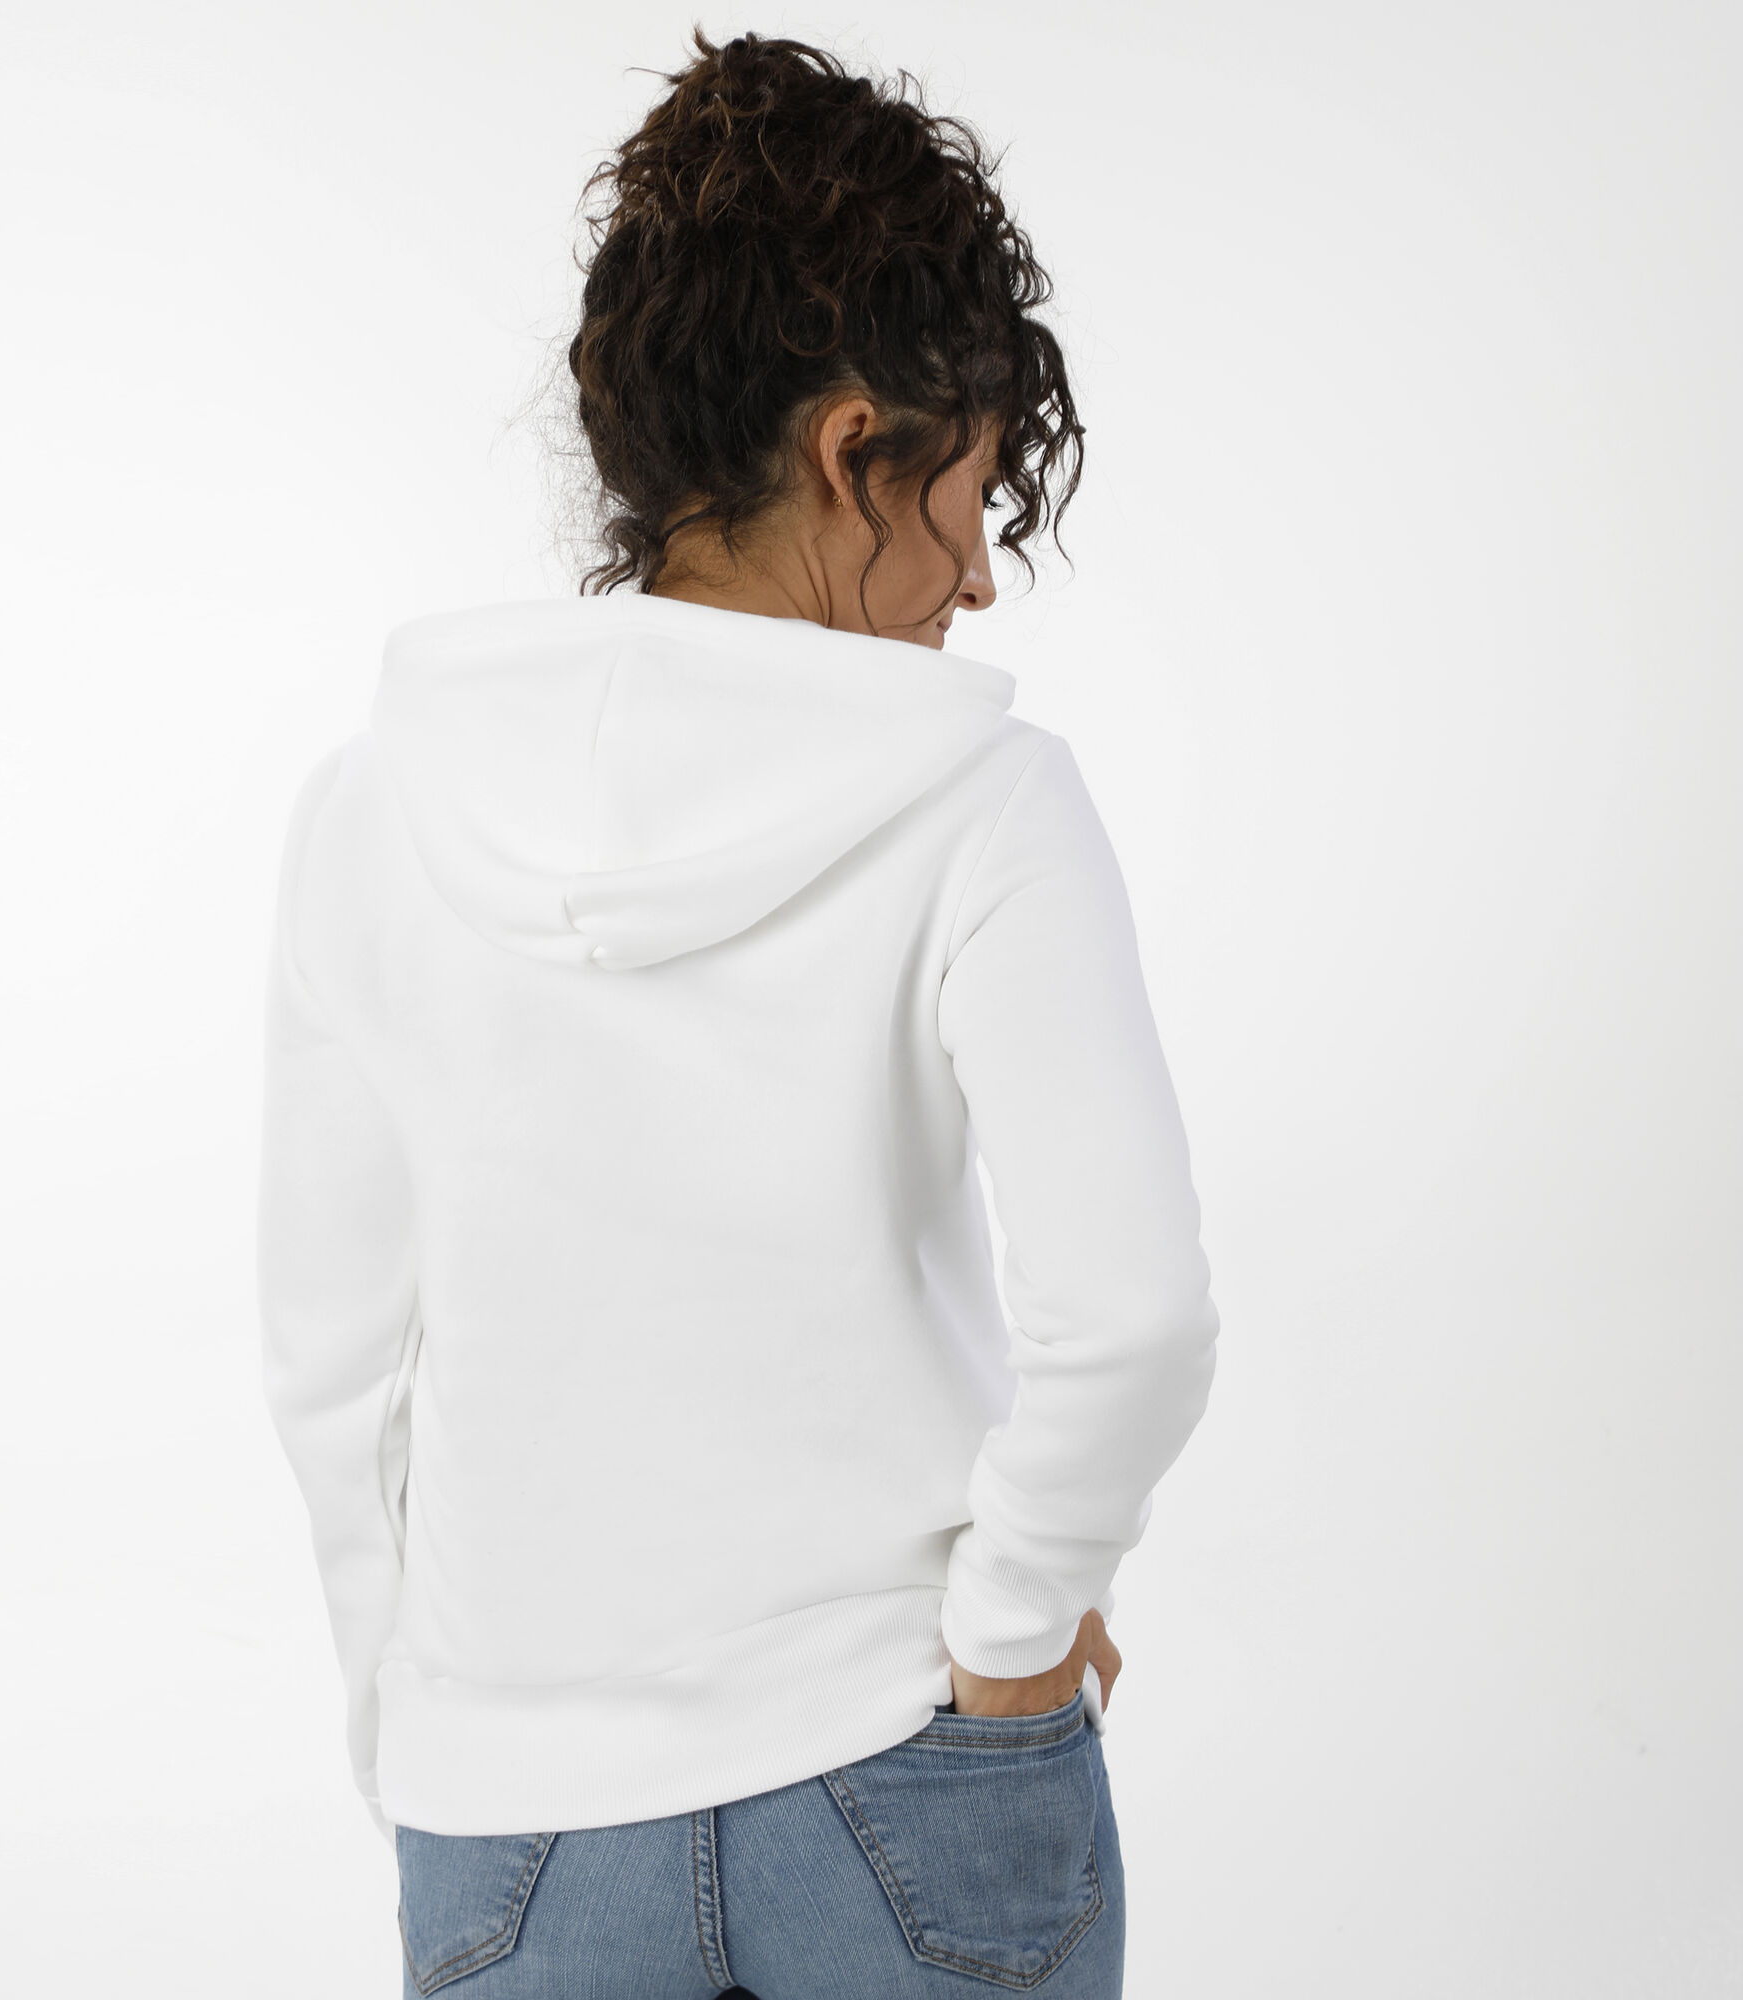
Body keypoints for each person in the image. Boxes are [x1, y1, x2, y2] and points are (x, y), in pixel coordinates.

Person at [257, 27, 1219, 1998]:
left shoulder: (376, 806)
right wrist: (1018, 1625)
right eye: (965, 493)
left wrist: (419, 1746)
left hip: (511, 1814)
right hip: (908, 1763)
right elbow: (1130, 1314)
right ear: (852, 449)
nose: (974, 578)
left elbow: (331, 1368)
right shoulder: (983, 796)